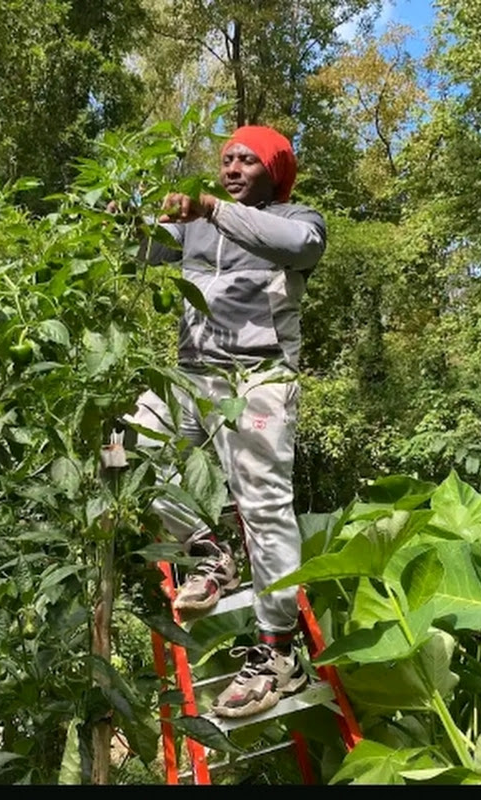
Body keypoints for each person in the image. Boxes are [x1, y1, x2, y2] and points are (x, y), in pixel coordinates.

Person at [126, 125, 326, 719]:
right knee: (119, 448)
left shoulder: (297, 217)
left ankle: (276, 656)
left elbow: (299, 248)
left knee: (264, 508)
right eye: (225, 160)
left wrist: (212, 208)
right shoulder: (192, 226)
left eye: (247, 160)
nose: (232, 167)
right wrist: (128, 213)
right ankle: (208, 549)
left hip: (257, 381)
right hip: (190, 377)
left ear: (274, 170)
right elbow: (136, 253)